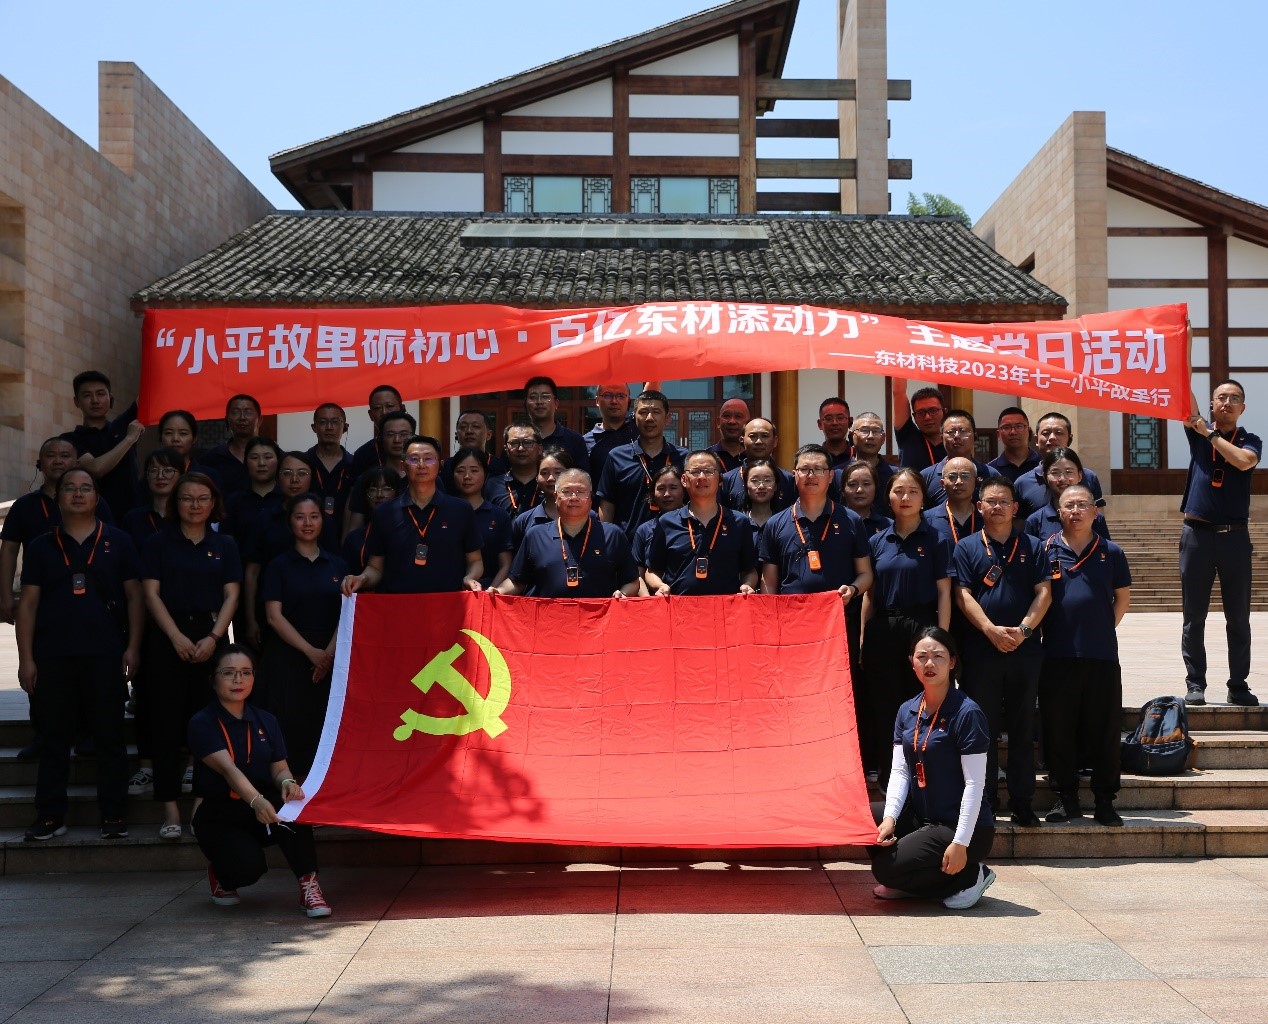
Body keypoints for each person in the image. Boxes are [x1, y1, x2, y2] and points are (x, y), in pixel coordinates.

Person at [17, 468, 144, 841]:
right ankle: (50, 815)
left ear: (97, 497)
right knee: (54, 737)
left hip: (106, 654)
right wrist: (26, 658)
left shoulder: (118, 541)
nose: (77, 493)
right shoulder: (41, 545)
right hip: (53, 655)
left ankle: (113, 814)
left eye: (85, 488)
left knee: (109, 737)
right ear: (57, 498)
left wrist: (133, 646)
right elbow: (28, 606)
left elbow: (135, 598)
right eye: (69, 488)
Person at [188, 644, 332, 917]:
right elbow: (229, 770)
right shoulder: (202, 722)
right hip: (220, 814)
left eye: (246, 672)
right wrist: (256, 800)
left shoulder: (266, 720)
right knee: (249, 869)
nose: (238, 679)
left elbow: (279, 769)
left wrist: (287, 783)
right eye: (229, 673)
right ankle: (221, 873)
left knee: (294, 808)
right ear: (214, 679)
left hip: (262, 805)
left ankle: (309, 886)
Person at [140, 472, 240, 840]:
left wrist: (214, 638)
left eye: (202, 498)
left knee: (210, 724)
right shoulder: (157, 543)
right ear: (175, 503)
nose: (195, 505)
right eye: (187, 498)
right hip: (167, 636)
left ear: (213, 503)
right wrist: (176, 637)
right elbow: (151, 594)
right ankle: (169, 807)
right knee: (165, 724)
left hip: (211, 636)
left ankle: (201, 803)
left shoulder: (225, 544)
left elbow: (232, 594)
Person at [870, 627, 996, 910]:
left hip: (962, 826)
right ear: (911, 662)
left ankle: (970, 875)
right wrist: (890, 818)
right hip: (925, 816)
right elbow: (901, 771)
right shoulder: (907, 710)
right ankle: (910, 883)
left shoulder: (967, 713)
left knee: (884, 869)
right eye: (922, 656)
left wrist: (960, 842)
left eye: (938, 656)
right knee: (867, 820)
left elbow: (975, 784)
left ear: (952, 662)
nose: (929, 663)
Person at [953, 477, 1051, 826]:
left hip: (1025, 651)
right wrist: (990, 630)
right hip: (982, 650)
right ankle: (986, 800)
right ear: (979, 507)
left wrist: (1024, 631)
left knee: (1023, 727)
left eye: (1003, 501)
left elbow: (1044, 593)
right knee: (983, 728)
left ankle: (1022, 801)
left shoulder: (1034, 546)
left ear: (1015, 507)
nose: (997, 507)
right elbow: (962, 595)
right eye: (990, 501)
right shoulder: (966, 547)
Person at [1039, 484, 1131, 826]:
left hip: (1101, 655)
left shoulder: (1111, 551)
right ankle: (1066, 798)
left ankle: (1105, 800)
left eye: (1082, 505)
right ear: (1058, 512)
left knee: (1104, 729)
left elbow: (1122, 598)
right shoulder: (1044, 549)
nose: (1075, 511)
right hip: (1057, 654)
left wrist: (1103, 627)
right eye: (1069, 505)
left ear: (1095, 512)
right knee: (1059, 729)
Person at [862, 469, 953, 783]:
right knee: (884, 706)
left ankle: (922, 777)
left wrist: (942, 640)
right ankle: (889, 778)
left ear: (923, 497)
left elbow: (944, 593)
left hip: (922, 629)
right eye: (898, 491)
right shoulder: (877, 540)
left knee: (922, 704)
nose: (905, 497)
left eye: (912, 491)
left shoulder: (937, 539)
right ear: (888, 497)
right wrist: (863, 639)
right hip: (884, 628)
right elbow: (870, 595)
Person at [1179, 380, 1261, 707]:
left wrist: (1211, 435)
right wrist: (1183, 357)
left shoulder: (1249, 440)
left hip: (1235, 538)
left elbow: (1243, 461)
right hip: (1196, 536)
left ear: (1243, 408)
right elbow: (1185, 394)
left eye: (1234, 398)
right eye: (1221, 397)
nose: (1227, 402)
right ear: (1212, 404)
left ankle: (1238, 685)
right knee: (1193, 616)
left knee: (1238, 617)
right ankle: (1195, 683)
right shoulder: (1196, 432)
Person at [261, 494, 349, 778]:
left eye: (314, 516)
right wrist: (312, 653)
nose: (307, 523)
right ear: (290, 523)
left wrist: (327, 655)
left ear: (323, 521)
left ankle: (322, 788)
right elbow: (274, 616)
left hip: (331, 654)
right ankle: (292, 789)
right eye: (300, 517)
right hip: (289, 654)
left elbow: (347, 614)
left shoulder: (338, 565)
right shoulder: (278, 565)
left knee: (324, 722)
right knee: (290, 722)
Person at [121, 446, 187, 798]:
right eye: (154, 470)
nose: (161, 477)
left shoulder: (189, 515)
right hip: (144, 616)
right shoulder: (133, 519)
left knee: (190, 694)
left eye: (169, 470)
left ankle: (190, 762)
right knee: (146, 693)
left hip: (185, 615)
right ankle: (146, 765)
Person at [342, 435, 483, 595]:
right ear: (403, 466)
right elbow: (375, 567)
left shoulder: (461, 510)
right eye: (414, 459)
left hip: (447, 604)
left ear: (439, 465)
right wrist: (362, 578)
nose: (421, 465)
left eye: (428, 459)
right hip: (399, 604)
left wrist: (470, 577)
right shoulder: (384, 513)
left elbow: (475, 560)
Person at [498, 469, 639, 599]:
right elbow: (517, 582)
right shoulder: (535, 535)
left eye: (580, 491)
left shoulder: (612, 535)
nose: (574, 497)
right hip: (547, 616)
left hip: (597, 617)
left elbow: (632, 582)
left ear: (591, 498)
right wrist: (498, 592)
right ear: (555, 496)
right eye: (566, 491)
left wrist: (623, 594)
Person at [645, 451, 758, 595]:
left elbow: (749, 571)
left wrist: (747, 585)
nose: (702, 477)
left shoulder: (739, 522)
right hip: (680, 606)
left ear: (720, 479)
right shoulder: (666, 522)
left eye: (709, 471)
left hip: (726, 607)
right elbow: (652, 571)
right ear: (684, 480)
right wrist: (659, 586)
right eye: (695, 471)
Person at [242, 452, 318, 650]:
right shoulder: (264, 518)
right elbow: (252, 571)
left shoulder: (322, 520)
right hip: (271, 607)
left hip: (313, 610)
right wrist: (250, 619)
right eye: (287, 473)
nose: (294, 480)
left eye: (302, 473)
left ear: (312, 478)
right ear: (277, 478)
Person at [597, 390, 687, 541]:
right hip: (627, 546)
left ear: (667, 418)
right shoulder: (616, 457)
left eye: (656, 412)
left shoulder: (683, 458)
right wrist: (605, 542)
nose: (649, 418)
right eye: (643, 412)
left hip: (674, 544)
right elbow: (606, 506)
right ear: (634, 417)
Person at [62, 370, 145, 517]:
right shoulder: (70, 440)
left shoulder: (123, 425)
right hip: (95, 520)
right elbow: (96, 468)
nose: (95, 400)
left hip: (132, 518)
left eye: (100, 394)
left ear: (110, 399)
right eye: (87, 395)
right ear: (76, 401)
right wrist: (129, 439)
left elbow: (150, 394)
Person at [1014, 412, 1104, 518]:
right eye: (1046, 433)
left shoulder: (1088, 477)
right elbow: (1019, 524)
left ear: (1069, 439)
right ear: (1036, 440)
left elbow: (1099, 518)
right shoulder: (1022, 483)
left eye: (1059, 432)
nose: (1052, 437)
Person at [342, 410, 413, 540]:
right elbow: (355, 529)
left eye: (403, 434)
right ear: (381, 439)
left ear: (413, 437)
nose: (397, 440)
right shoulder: (366, 478)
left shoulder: (424, 477)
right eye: (390, 434)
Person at [449, 447, 513, 590]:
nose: (467, 476)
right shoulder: (445, 512)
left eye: (474, 470)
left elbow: (506, 564)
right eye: (460, 471)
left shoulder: (499, 515)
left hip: (489, 591)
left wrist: (491, 591)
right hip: (450, 592)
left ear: (485, 474)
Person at [1024, 448, 1111, 542]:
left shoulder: (1095, 517)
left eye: (1069, 472)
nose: (1062, 478)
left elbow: (1105, 549)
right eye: (1055, 473)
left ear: (1080, 476)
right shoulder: (1035, 521)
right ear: (1045, 477)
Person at [920, 410, 1000, 507]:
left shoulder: (991, 474)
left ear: (975, 436)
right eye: (950, 432)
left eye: (963, 431)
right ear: (941, 438)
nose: (957, 436)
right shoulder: (926, 476)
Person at [719, 418, 796, 510]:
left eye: (765, 436)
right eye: (752, 436)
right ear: (742, 440)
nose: (759, 441)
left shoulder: (788, 479)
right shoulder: (727, 480)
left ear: (775, 441)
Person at [222, 437, 283, 552]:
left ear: (279, 461)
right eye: (254, 458)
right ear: (246, 462)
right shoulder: (234, 502)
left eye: (268, 457)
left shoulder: (287, 500)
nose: (261, 463)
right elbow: (227, 543)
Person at [307, 403, 356, 545]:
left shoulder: (355, 464)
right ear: (314, 427)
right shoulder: (304, 463)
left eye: (335, 422)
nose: (329, 427)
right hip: (307, 537)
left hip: (345, 540)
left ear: (345, 427)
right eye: (322, 422)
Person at [200, 394, 263, 502]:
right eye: (235, 412)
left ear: (260, 420)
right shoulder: (210, 458)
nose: (242, 417)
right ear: (227, 420)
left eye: (248, 412)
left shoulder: (273, 458)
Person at [632, 464, 686, 587]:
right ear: (653, 493)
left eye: (673, 488)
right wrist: (649, 597)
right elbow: (637, 575)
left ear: (684, 490)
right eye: (661, 488)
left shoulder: (695, 523)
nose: (667, 494)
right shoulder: (644, 530)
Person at [509, 448, 573, 552]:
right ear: (536, 478)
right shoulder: (524, 521)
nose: (551, 478)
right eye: (544, 473)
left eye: (558, 472)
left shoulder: (588, 516)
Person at [522, 376, 590, 472]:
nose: (539, 402)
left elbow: (583, 478)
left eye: (545, 396)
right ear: (525, 404)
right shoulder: (517, 440)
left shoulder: (574, 440)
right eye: (533, 397)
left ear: (556, 403)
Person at [341, 468, 399, 575]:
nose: (379, 494)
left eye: (386, 488)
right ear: (365, 495)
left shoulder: (407, 531)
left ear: (397, 493)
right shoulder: (354, 539)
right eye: (373, 489)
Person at [922, 457, 983, 548]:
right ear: (942, 484)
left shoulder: (986, 517)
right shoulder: (926, 519)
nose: (959, 482)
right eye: (952, 477)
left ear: (976, 481)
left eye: (965, 476)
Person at [441, 410, 508, 492]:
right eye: (463, 427)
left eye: (476, 426)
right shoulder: (446, 467)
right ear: (456, 435)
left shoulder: (501, 467)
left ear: (489, 435)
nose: (469, 431)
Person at [349, 384, 405, 478]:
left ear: (402, 409)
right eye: (377, 408)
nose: (384, 412)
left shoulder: (419, 447)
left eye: (389, 406)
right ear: (370, 415)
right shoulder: (362, 454)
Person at [585, 383, 637, 481]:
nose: (614, 401)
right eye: (607, 395)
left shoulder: (639, 432)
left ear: (629, 401)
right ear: (597, 401)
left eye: (620, 396)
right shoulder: (585, 443)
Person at [841, 411, 893, 509]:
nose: (870, 436)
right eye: (864, 430)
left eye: (876, 431)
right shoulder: (837, 474)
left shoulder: (895, 475)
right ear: (852, 435)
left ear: (883, 438)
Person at [891, 381, 946, 470]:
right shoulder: (908, 436)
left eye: (933, 411)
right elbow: (898, 392)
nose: (927, 417)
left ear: (944, 412)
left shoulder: (953, 442)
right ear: (914, 417)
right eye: (921, 412)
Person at [158, 409, 219, 485]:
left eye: (183, 433)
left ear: (194, 438)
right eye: (168, 433)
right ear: (160, 437)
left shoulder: (208, 476)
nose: (175, 439)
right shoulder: (152, 478)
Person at [737, 457, 782, 551]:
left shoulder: (782, 523)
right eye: (754, 480)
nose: (761, 486)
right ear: (746, 485)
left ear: (775, 486)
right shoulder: (737, 523)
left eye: (767, 480)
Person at [840, 460, 893, 539]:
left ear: (876, 488)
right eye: (852, 484)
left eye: (866, 484)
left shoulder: (888, 526)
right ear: (843, 490)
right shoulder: (833, 522)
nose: (860, 490)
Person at [987, 407, 1040, 483]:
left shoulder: (1043, 464)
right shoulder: (990, 471)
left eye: (1019, 426)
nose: (1013, 432)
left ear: (1029, 430)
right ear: (998, 434)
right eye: (1006, 427)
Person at [706, 398, 750, 474]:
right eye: (726, 416)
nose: (732, 421)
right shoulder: (706, 457)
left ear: (748, 423)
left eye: (738, 416)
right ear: (718, 422)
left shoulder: (756, 459)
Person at [817, 397, 854, 467]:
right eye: (828, 419)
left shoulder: (859, 457)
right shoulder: (812, 460)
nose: (835, 423)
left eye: (840, 418)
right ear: (820, 424)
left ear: (850, 422)